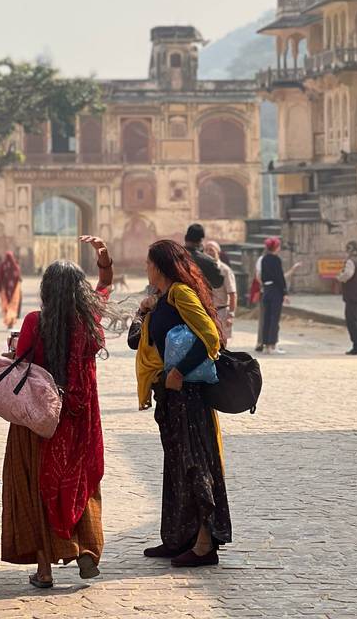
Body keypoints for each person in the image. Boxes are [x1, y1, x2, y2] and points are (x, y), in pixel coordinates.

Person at [1, 235, 111, 589]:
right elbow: (105, 288)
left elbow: (25, 361)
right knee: (79, 481)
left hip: (43, 419)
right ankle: (85, 552)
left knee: (41, 486)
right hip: (81, 418)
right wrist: (103, 259)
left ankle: (45, 569)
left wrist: (12, 349)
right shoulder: (89, 321)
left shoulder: (36, 321)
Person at [128, 239, 230, 567]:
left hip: (189, 397)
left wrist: (181, 372)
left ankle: (204, 544)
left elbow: (211, 337)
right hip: (168, 397)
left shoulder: (181, 294)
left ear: (160, 266)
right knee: (175, 467)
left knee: (195, 464)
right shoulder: (159, 300)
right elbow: (135, 342)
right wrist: (142, 311)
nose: (145, 268)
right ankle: (177, 536)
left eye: (148, 262)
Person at [336, 240, 357, 356]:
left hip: (353, 295)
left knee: (352, 320)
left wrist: (340, 277)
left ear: (351, 250)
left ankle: (356, 346)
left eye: (348, 249)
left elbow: (348, 275)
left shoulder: (351, 261)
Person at [259, 237, 288, 354]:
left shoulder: (264, 259)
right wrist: (285, 292)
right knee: (274, 318)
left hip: (266, 289)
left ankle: (266, 344)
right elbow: (279, 277)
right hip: (276, 290)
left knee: (266, 318)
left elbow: (262, 276)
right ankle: (272, 345)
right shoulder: (276, 260)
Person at [205, 241, 237, 343]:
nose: (209, 252)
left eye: (211, 250)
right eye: (207, 250)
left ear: (218, 252)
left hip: (221, 312)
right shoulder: (201, 269)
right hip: (206, 311)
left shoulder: (225, 270)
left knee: (221, 343)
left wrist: (231, 315)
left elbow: (232, 294)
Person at [184, 223, 224, 289]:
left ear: (185, 237)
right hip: (198, 298)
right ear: (201, 240)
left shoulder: (173, 256)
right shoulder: (208, 262)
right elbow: (217, 283)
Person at [0, 251, 23, 328]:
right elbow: (19, 278)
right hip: (14, 291)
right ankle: (11, 321)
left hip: (4, 290)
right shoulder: (15, 266)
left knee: (6, 306)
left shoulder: (3, 266)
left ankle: (8, 322)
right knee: (13, 306)